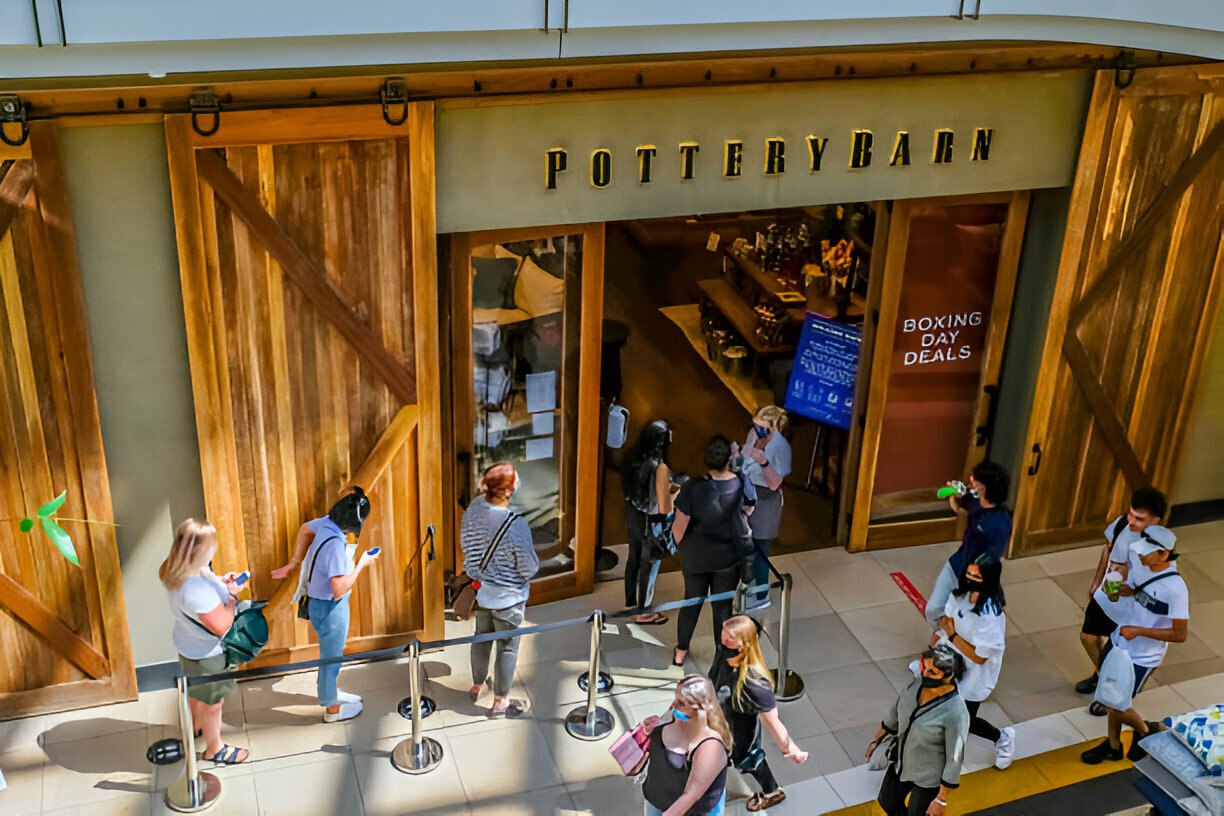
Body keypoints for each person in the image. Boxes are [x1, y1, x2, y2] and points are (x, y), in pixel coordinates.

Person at [1081, 525, 1187, 765]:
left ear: (1164, 554)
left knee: (1117, 703)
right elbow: (1136, 592)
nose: (1140, 556)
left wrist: (1139, 631)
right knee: (1110, 698)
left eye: (1147, 552)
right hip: (1119, 642)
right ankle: (1113, 745)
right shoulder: (1144, 570)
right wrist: (1118, 589)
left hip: (1141, 656)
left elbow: (1180, 634)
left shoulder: (1176, 589)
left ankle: (1147, 731)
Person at [272, 486, 379, 723]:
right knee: (332, 659)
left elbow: (303, 530)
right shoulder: (335, 545)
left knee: (329, 656)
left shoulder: (326, 523)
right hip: (331, 609)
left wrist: (294, 561)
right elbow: (338, 588)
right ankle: (332, 710)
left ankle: (330, 693)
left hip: (317, 605)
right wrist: (362, 563)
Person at [160, 518, 250, 765]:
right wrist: (231, 597)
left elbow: (204, 578)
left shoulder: (172, 569)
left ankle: (196, 726)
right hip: (209, 656)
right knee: (213, 703)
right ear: (200, 550)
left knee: (196, 690)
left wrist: (221, 582)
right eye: (212, 543)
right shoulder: (195, 590)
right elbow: (222, 625)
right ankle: (215, 748)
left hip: (187, 646)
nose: (215, 547)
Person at [1075, 487, 1168, 716]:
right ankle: (1100, 673)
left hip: (1132, 606)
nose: (1131, 521)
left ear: (1155, 520)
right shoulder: (1120, 525)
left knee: (1119, 651)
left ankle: (1108, 691)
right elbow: (1107, 551)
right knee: (1087, 636)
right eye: (1130, 514)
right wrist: (1097, 581)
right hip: (1109, 592)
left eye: (1139, 518)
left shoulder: (1160, 548)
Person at [462, 462, 540, 717]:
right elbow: (529, 567)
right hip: (509, 599)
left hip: (481, 591)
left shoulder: (473, 509)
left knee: (481, 640)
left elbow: (467, 547)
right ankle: (500, 701)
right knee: (507, 647)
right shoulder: (515, 524)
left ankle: (478, 683)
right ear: (507, 491)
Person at [671, 437, 757, 668]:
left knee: (691, 602)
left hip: (696, 556)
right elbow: (749, 508)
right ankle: (722, 655)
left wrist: (685, 549)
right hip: (728, 556)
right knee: (722, 607)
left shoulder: (693, 487)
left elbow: (679, 526)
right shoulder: (741, 482)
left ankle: (681, 650)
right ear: (729, 459)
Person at [709, 615, 808, 812]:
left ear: (744, 643)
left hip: (740, 732)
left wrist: (790, 749)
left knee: (748, 760)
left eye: (730, 635)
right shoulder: (723, 650)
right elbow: (713, 678)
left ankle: (772, 791)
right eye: (723, 631)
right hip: (719, 720)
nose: (723, 637)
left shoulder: (754, 683)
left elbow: (772, 721)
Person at [866, 643, 969, 816]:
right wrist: (877, 738)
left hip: (929, 775)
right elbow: (897, 709)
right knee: (888, 802)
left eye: (932, 672)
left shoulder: (956, 711)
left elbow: (955, 757)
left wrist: (941, 799)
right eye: (924, 667)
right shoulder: (917, 684)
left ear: (948, 676)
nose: (925, 674)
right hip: (901, 761)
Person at [934, 557, 1014, 770]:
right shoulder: (959, 595)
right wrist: (939, 639)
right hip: (952, 660)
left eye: (976, 577)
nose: (970, 580)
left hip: (974, 675)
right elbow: (947, 622)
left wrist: (951, 636)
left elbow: (979, 656)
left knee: (966, 719)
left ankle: (1002, 738)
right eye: (969, 574)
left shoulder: (990, 616)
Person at [925, 461, 1012, 631]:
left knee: (966, 621)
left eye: (975, 480)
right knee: (934, 609)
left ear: (984, 488)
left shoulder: (999, 524)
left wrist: (976, 586)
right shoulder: (975, 500)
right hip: (956, 563)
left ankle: (955, 644)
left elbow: (992, 556)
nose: (971, 480)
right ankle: (945, 637)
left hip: (975, 577)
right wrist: (954, 492)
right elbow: (961, 500)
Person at [641, 675, 732, 816]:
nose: (674, 705)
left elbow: (690, 796)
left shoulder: (710, 747)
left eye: (682, 703)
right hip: (656, 799)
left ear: (700, 709)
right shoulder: (671, 717)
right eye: (675, 698)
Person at [621, 419, 679, 625]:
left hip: (632, 516)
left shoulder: (631, 457)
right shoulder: (659, 467)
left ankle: (630, 602)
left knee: (633, 559)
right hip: (651, 522)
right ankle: (644, 611)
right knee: (649, 566)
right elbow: (664, 507)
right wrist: (674, 493)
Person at [736, 406, 792, 611]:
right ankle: (747, 582)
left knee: (761, 549)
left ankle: (761, 594)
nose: (756, 429)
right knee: (746, 544)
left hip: (766, 501)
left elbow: (775, 482)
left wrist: (764, 461)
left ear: (775, 427)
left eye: (761, 427)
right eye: (755, 425)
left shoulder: (781, 448)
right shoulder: (753, 434)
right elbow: (744, 457)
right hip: (747, 493)